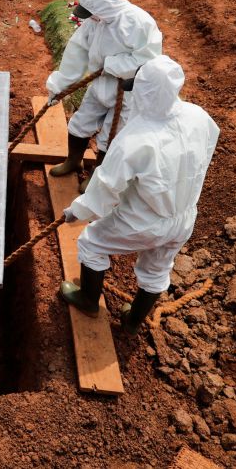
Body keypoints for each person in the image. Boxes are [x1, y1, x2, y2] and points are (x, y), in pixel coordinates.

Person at [57, 55, 219, 334]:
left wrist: (77, 211)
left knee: (92, 243)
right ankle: (133, 321)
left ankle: (87, 299)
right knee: (157, 268)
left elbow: (105, 188)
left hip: (145, 219)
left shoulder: (136, 137)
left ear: (143, 91)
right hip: (183, 217)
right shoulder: (200, 117)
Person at [46, 0, 163, 191]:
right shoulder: (95, 21)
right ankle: (73, 161)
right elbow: (77, 51)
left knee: (113, 133)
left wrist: (114, 65)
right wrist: (59, 87)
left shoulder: (138, 22)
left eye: (92, 12)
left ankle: (98, 177)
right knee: (81, 122)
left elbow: (149, 58)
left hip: (127, 89)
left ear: (104, 7)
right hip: (100, 82)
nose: (89, 17)